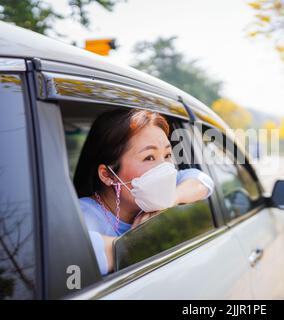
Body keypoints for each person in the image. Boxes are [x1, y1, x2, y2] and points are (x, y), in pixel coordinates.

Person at [73, 109, 214, 275]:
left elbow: (202, 180)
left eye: (167, 154)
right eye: (149, 157)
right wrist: (136, 241)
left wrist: (172, 198)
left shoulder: (156, 194)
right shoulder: (80, 218)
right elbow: (71, 258)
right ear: (107, 175)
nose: (165, 167)